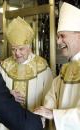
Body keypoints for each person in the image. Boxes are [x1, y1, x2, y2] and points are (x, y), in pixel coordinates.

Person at [0, 16, 53, 130]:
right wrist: (8, 94)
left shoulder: (41, 66)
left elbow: (50, 96)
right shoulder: (4, 66)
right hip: (8, 123)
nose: (17, 53)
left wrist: (40, 121)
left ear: (29, 47)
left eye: (21, 49)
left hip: (33, 124)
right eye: (13, 49)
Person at [34, 2, 80, 130]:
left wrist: (53, 114)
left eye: (62, 36)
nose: (58, 41)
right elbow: (53, 94)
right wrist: (46, 109)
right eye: (58, 36)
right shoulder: (67, 67)